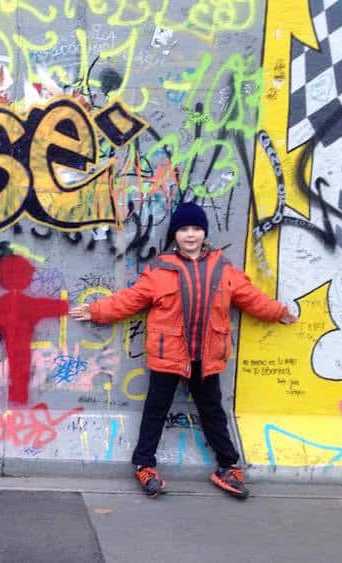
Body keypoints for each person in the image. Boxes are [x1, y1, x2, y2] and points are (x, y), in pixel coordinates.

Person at [69, 202, 297, 499]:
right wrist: (98, 311)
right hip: (168, 357)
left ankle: (228, 466)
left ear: (205, 232)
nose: (190, 235)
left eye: (196, 229)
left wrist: (278, 311)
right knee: (155, 410)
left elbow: (251, 298)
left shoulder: (223, 268)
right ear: (175, 234)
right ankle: (144, 465)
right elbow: (130, 300)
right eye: (184, 229)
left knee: (213, 412)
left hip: (207, 358)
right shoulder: (160, 270)